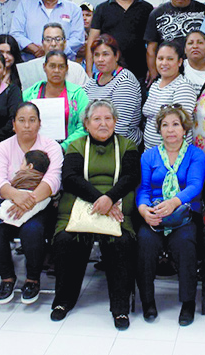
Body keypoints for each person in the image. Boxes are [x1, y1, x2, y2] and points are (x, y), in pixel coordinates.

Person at [52, 100, 140, 329]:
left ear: (115, 122)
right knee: (66, 240)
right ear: (86, 124)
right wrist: (100, 200)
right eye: (97, 119)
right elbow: (70, 178)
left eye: (108, 118)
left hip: (117, 207)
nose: (103, 124)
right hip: (80, 206)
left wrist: (110, 198)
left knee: (121, 242)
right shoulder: (77, 145)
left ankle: (120, 308)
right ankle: (63, 301)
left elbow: (131, 177)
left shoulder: (128, 145)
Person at [0, 102, 64, 305]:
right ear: (14, 124)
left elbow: (53, 180)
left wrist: (28, 201)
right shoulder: (2, 148)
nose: (27, 125)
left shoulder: (51, 147)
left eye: (32, 120)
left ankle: (32, 279)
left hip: (41, 205)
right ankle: (7, 277)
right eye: (22, 120)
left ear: (39, 123)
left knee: (32, 230)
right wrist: (16, 196)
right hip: (8, 202)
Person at [136, 104, 205, 326]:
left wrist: (174, 202)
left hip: (184, 212)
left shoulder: (195, 154)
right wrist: (144, 210)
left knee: (185, 244)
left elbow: (195, 185)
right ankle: (148, 302)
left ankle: (188, 303)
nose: (170, 129)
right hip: (154, 213)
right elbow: (144, 189)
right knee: (145, 243)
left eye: (176, 124)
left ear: (184, 129)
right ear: (159, 130)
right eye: (165, 125)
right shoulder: (148, 156)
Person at [86, 0, 154, 79]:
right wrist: (88, 72)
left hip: (139, 74)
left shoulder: (146, 9)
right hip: (108, 75)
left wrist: (152, 70)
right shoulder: (102, 9)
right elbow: (92, 42)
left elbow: (152, 44)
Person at [144, 0, 205, 83]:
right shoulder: (157, 14)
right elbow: (151, 49)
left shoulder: (204, 11)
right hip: (168, 71)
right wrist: (154, 73)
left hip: (198, 72)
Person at [11, 0, 84, 61]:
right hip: (31, 63)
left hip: (63, 65)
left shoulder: (73, 9)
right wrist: (34, 48)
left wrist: (51, 50)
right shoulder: (25, 5)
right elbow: (15, 33)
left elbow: (77, 39)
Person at [22, 51, 90, 149]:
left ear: (67, 68)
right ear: (44, 67)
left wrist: (63, 147)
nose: (56, 70)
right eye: (52, 66)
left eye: (61, 67)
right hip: (34, 149)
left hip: (70, 150)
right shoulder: (30, 94)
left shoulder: (78, 94)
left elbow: (84, 125)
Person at [83, 34, 143, 145]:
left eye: (105, 54)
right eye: (96, 55)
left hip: (121, 145)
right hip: (95, 141)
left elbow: (120, 127)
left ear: (116, 56)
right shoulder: (93, 80)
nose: (100, 60)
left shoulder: (125, 81)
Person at [142, 42, 198, 150]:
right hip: (151, 152)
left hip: (173, 153)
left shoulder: (183, 87)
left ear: (180, 62)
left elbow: (180, 126)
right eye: (160, 58)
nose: (164, 63)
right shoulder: (155, 85)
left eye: (170, 59)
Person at [16, 23, 89, 88]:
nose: (53, 44)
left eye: (58, 39)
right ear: (42, 43)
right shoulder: (29, 68)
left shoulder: (77, 69)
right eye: (48, 40)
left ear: (64, 43)